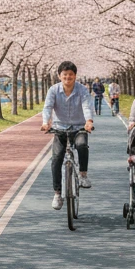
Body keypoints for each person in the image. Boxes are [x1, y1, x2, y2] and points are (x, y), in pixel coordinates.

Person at [41, 61, 96, 210]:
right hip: (59, 128)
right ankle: (57, 193)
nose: (68, 77)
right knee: (56, 158)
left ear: (75, 76)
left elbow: (86, 105)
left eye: (71, 74)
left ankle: (83, 175)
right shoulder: (53, 90)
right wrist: (46, 122)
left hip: (79, 127)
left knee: (82, 145)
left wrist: (89, 121)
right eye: (64, 75)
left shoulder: (82, 90)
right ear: (59, 76)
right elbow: (47, 107)